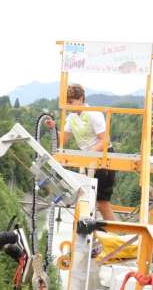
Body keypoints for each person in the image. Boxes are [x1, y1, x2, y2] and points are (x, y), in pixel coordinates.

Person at [47, 83, 117, 221]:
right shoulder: (72, 117)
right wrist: (53, 129)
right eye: (67, 102)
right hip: (87, 160)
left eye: (71, 102)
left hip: (102, 157)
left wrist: (89, 154)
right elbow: (63, 138)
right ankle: (90, 231)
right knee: (86, 200)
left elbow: (105, 140)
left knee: (102, 203)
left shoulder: (93, 114)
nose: (69, 105)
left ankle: (115, 232)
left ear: (80, 99)